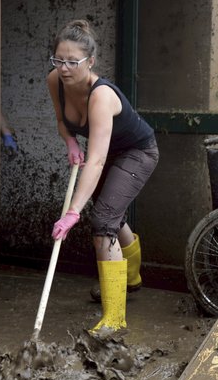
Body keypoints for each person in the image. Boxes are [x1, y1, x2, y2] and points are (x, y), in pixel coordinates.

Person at [47, 19, 158, 335]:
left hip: (138, 152)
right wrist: (70, 141)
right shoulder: (54, 81)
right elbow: (61, 120)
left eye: (73, 62)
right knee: (109, 212)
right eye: (59, 60)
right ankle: (131, 275)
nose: (65, 68)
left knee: (102, 221)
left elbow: (94, 162)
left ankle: (114, 318)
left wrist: (72, 213)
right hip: (107, 151)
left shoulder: (102, 95)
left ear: (90, 61)